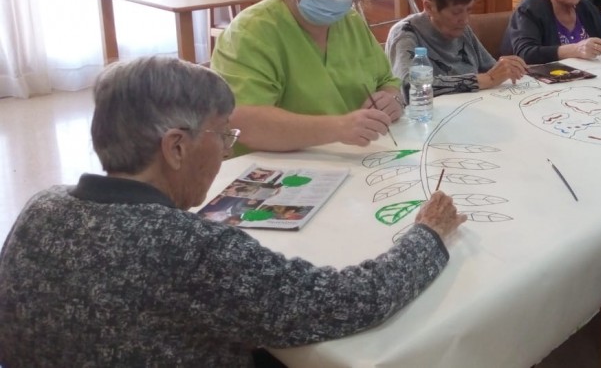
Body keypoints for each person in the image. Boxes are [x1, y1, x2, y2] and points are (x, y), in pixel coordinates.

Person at [0, 57, 466, 367]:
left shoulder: (40, 208)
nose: (226, 149)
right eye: (223, 135)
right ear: (176, 147)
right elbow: (355, 300)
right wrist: (428, 233)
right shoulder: (188, 248)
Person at [211, 0, 404, 153]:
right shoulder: (250, 33)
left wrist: (391, 99)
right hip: (273, 165)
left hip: (349, 158)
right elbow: (244, 123)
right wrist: (339, 128)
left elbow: (386, 80)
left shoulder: (350, 22)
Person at [385, 0, 527, 96]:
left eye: (469, 10)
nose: (465, 20)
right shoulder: (405, 33)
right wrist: (482, 80)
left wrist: (506, 69)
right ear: (429, 7)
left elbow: (492, 70)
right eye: (456, 12)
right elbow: (409, 87)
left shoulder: (462, 29)